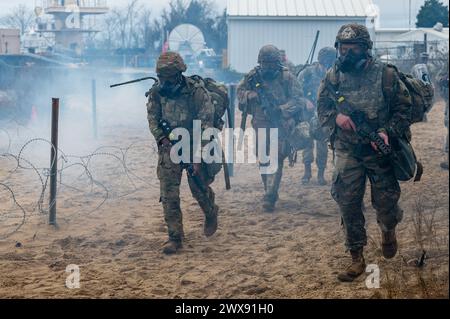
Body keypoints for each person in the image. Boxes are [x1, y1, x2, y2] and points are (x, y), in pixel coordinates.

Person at [317, 24, 413, 282]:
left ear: (365, 49)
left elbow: (405, 111)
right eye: (343, 48)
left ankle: (388, 230)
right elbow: (322, 108)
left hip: (379, 152)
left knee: (386, 204)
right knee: (347, 203)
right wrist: (336, 117)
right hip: (347, 149)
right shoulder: (333, 76)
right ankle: (356, 257)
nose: (346, 54)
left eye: (353, 49)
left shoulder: (386, 75)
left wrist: (386, 132)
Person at [146, 52, 219, 254]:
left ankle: (211, 212)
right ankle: (175, 237)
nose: (165, 82)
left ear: (179, 74)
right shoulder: (156, 92)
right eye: (162, 78)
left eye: (169, 78)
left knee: (198, 188)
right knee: (169, 193)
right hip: (169, 147)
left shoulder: (196, 92)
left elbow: (206, 125)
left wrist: (198, 156)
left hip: (195, 143)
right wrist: (162, 138)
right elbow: (153, 117)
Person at [237, 45, 308, 212]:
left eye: (271, 64)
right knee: (263, 159)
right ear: (260, 63)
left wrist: (282, 109)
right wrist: (249, 95)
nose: (268, 67)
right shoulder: (253, 76)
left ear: (278, 63)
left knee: (276, 158)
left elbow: (298, 100)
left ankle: (270, 195)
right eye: (264, 64)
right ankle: (268, 188)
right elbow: (240, 92)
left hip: (282, 122)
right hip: (260, 123)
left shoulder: (288, 78)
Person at [297, 47, 336, 185]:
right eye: (325, 65)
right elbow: (296, 94)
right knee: (307, 142)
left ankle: (320, 173)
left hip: (323, 114)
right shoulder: (306, 73)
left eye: (329, 65)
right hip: (307, 113)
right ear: (319, 62)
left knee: (322, 144)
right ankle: (307, 172)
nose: (326, 68)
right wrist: (305, 101)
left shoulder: (335, 73)